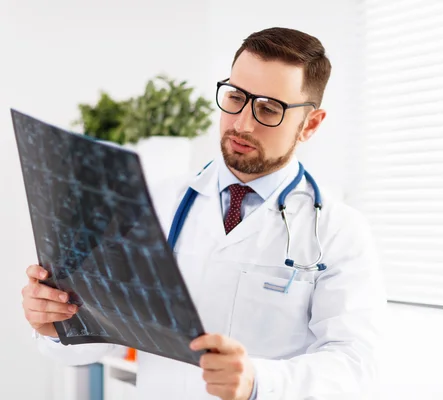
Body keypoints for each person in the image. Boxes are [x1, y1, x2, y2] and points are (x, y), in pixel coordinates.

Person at [21, 27, 386, 400]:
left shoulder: (339, 230)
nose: (242, 124)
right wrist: (57, 324)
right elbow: (112, 333)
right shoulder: (156, 203)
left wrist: (258, 380)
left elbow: (355, 364)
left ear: (310, 124)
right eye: (236, 97)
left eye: (268, 109)